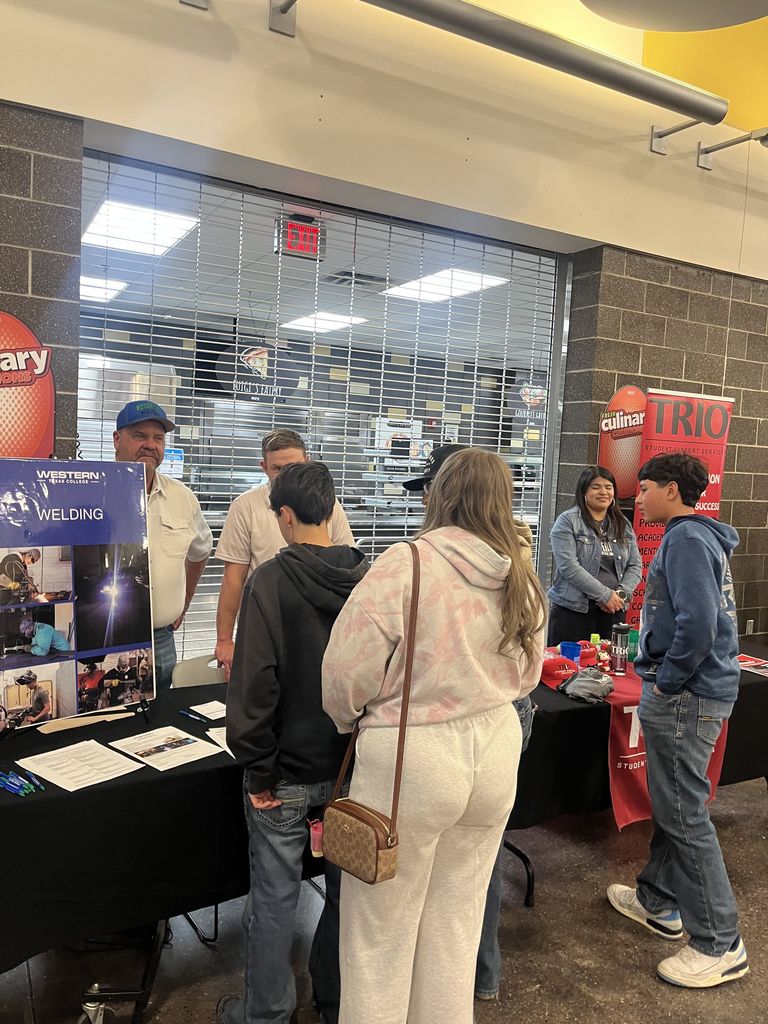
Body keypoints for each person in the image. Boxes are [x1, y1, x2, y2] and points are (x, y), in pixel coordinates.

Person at [323, 448, 546, 1024]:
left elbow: (345, 674)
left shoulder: (408, 563)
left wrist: (351, 720)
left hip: (412, 754)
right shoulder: (520, 568)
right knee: (457, 919)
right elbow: (529, 674)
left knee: (378, 934)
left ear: (439, 494)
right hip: (495, 748)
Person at [219, 461, 368, 1024]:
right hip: (351, 770)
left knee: (274, 902)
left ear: (284, 515)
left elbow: (254, 685)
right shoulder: (369, 575)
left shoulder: (270, 582)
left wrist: (257, 771)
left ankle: (266, 1014)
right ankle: (335, 1004)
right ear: (330, 511)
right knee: (345, 899)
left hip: (284, 775)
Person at [607, 452, 748, 988]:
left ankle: (720, 942)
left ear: (670, 489)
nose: (637, 499)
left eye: (643, 489)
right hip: (693, 691)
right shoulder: (698, 537)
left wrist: (666, 681)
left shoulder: (686, 539)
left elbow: (699, 622)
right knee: (672, 802)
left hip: (685, 695)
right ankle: (658, 900)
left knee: (685, 813)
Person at [402, 442, 537, 1002]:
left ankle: (431, 988)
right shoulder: (517, 555)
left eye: (429, 491)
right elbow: (529, 663)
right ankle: (478, 975)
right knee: (477, 859)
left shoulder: (420, 562)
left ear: (450, 492)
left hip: (448, 729)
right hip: (502, 721)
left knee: (434, 872)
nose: (422, 504)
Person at [215, 429, 354, 678]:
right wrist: (225, 640)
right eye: (278, 468)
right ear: (264, 467)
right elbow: (233, 579)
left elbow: (344, 564)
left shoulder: (329, 506)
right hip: (263, 627)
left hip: (318, 631)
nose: (287, 475)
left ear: (307, 462)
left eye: (294, 466)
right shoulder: (245, 507)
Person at [114, 401, 213, 690]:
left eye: (158, 438)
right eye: (140, 436)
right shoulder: (91, 490)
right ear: (117, 439)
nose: (150, 445)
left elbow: (200, 552)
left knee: (159, 726)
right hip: (105, 640)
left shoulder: (182, 497)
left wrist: (184, 603)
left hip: (161, 640)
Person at [547, 465, 641, 645]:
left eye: (608, 487)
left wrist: (619, 595)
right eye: (596, 487)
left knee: (609, 667)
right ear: (584, 491)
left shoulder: (622, 524)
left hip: (614, 610)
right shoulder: (568, 521)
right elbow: (569, 567)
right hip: (574, 611)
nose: (603, 492)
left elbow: (635, 565)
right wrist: (604, 595)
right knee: (571, 669)